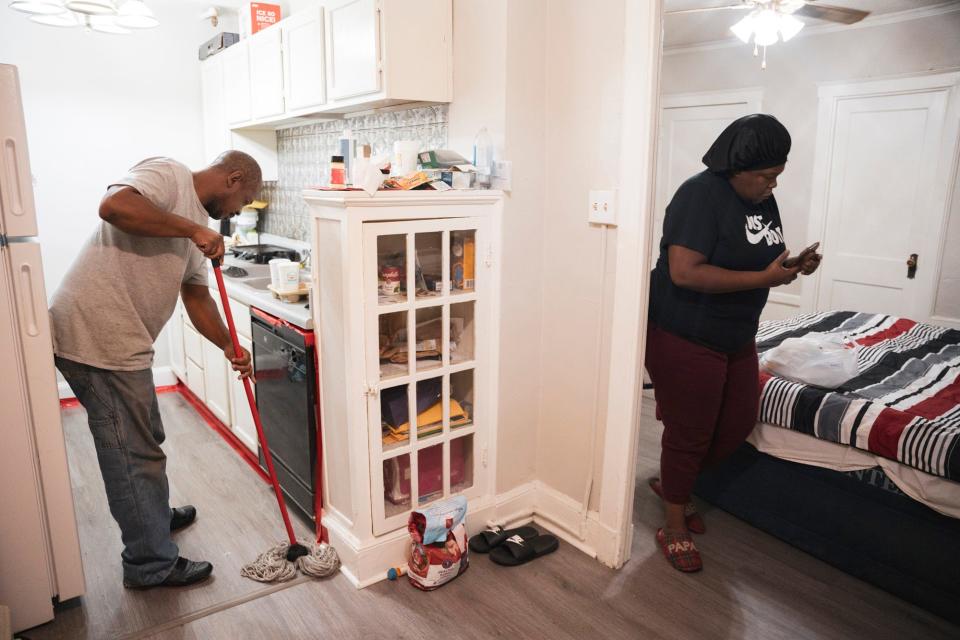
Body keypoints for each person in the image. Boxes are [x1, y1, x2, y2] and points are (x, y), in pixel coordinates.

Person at [49, 151, 260, 589]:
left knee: (146, 439)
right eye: (246, 199)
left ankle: (153, 519)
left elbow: (197, 299)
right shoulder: (169, 174)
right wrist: (192, 228)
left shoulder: (198, 234)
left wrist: (228, 344)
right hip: (95, 336)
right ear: (233, 177)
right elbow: (113, 207)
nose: (240, 211)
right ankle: (150, 563)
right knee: (132, 454)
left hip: (123, 342)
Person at [645, 114, 821, 573]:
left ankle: (673, 485)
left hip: (736, 332)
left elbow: (759, 255)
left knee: (737, 420)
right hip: (686, 331)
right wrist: (763, 277)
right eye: (764, 177)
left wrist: (790, 267)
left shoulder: (762, 201)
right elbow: (684, 271)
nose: (771, 186)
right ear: (735, 169)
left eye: (777, 177)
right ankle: (674, 524)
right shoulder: (698, 196)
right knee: (690, 432)